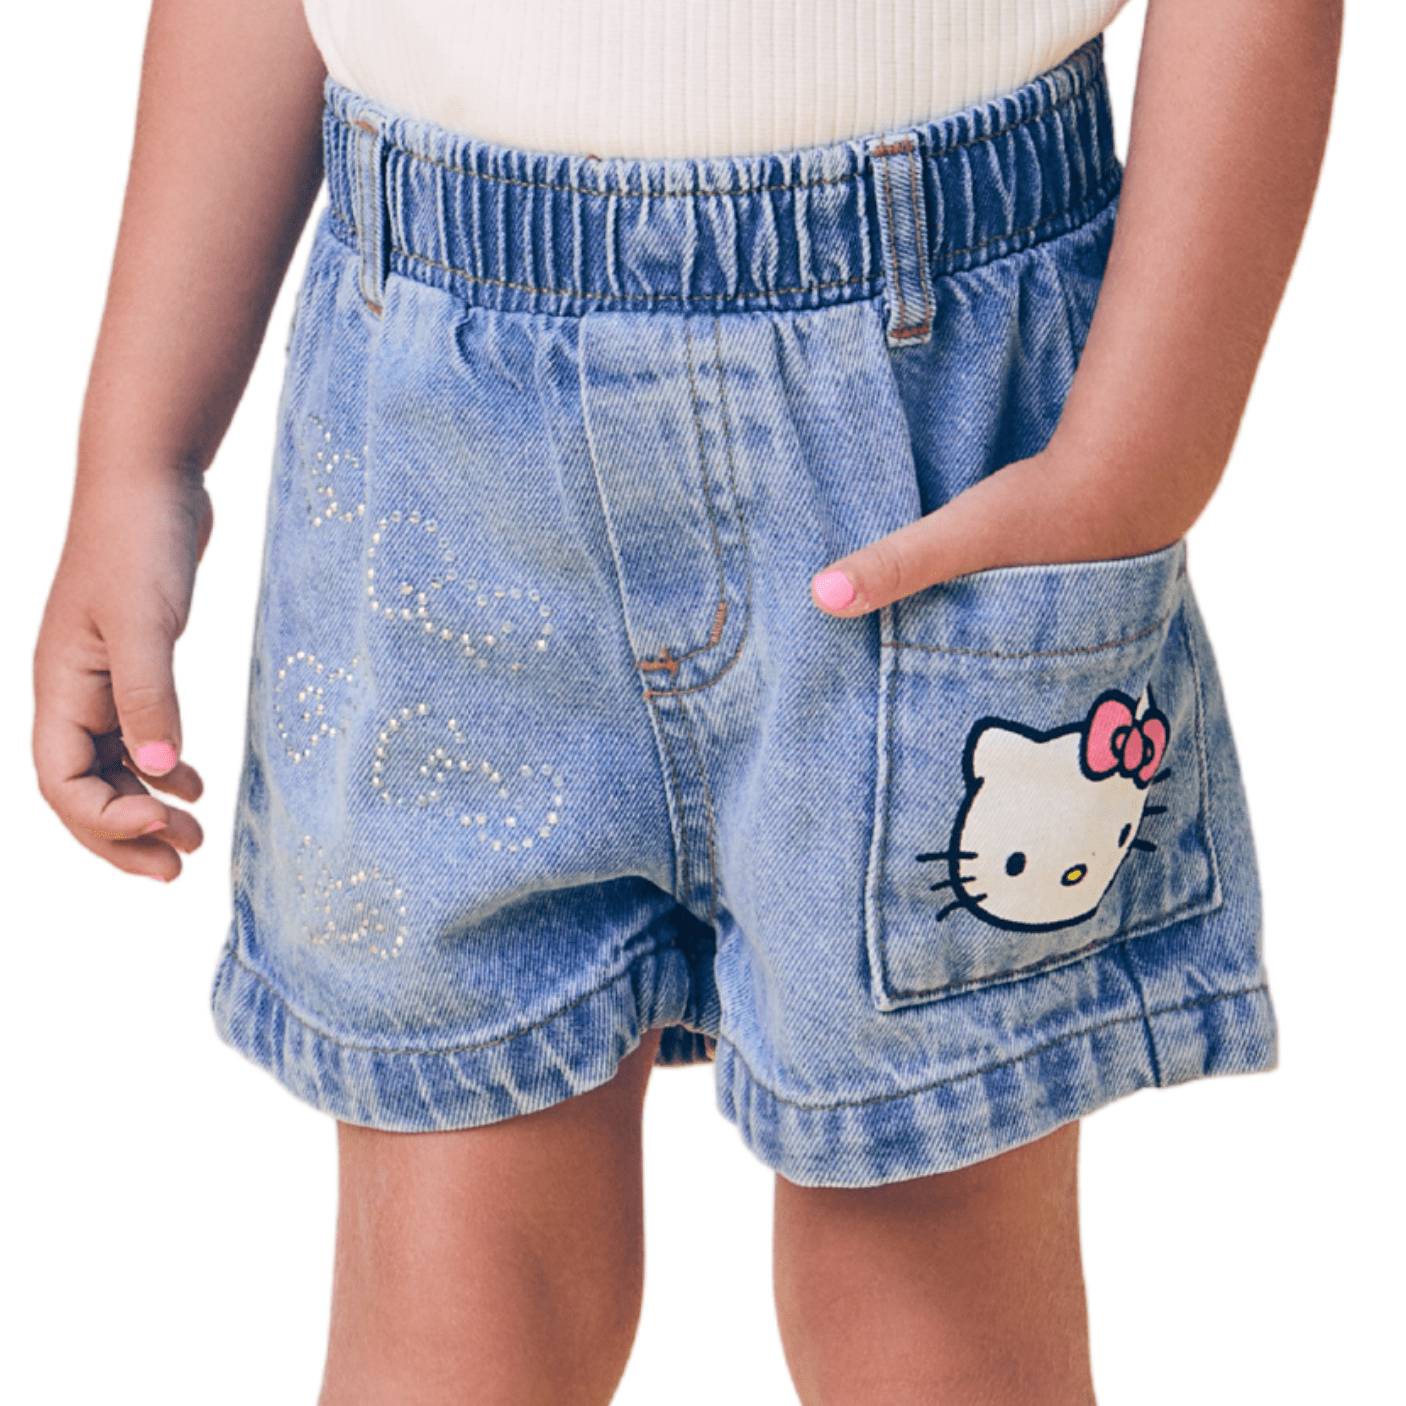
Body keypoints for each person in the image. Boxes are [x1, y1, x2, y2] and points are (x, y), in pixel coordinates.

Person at [31, 1, 1340, 1401]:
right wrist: (139, 451)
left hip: (929, 415)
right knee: (450, 1307)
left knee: (930, 1293)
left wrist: (1134, 458)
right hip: (434, 442)